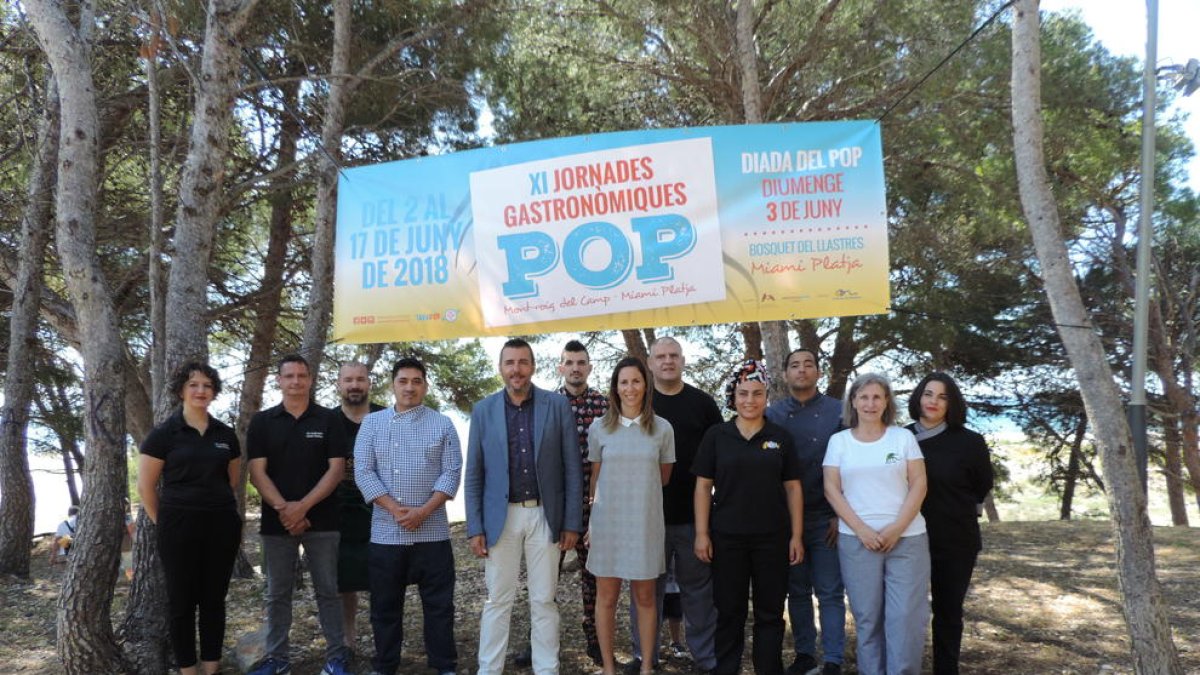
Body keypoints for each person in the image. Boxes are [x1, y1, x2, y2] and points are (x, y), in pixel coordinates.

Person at [464, 338, 583, 675]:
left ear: (532, 366)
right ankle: (489, 669)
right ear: (501, 368)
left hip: (545, 515)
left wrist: (571, 522)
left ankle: (547, 669)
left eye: (522, 362)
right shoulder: (483, 410)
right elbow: (475, 473)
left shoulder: (556, 406)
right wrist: (474, 527)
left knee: (544, 600)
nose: (516, 369)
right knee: (498, 600)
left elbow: (572, 467)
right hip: (500, 519)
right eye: (510, 363)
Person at [693, 359, 804, 675]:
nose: (750, 400)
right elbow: (702, 487)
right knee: (730, 612)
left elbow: (794, 489)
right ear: (733, 396)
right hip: (727, 539)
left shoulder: (780, 436)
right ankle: (726, 669)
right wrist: (702, 533)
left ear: (766, 395)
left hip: (773, 540)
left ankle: (768, 669)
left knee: (770, 613)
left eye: (757, 393)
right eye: (743, 393)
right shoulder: (717, 435)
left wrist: (796, 536)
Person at [354, 358, 462, 675]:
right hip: (387, 532)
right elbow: (363, 472)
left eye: (417, 381)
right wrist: (394, 508)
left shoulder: (442, 424)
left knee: (439, 606)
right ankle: (385, 665)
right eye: (403, 381)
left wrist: (424, 511)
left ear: (425, 386)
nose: (410, 387)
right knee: (385, 607)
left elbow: (451, 472)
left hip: (433, 533)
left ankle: (444, 665)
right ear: (393, 385)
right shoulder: (372, 424)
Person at [247, 354, 352, 675]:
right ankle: (278, 660)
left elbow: (336, 471)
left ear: (310, 380)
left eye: (301, 376)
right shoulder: (262, 422)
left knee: (329, 592)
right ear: (278, 380)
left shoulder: (328, 420)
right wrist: (285, 509)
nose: (295, 381)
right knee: (277, 593)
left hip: (323, 521)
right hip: (275, 522)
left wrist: (301, 508)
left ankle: (337, 659)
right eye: (289, 376)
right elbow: (256, 473)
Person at [137, 361, 242, 675]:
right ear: (181, 390)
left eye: (207, 386)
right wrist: (166, 524)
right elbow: (145, 488)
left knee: (213, 599)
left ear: (214, 392)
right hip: (178, 528)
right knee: (181, 602)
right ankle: (188, 670)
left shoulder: (226, 434)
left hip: (221, 526)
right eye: (194, 385)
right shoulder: (163, 435)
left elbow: (232, 481)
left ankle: (211, 668)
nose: (201, 391)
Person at [823, 373, 928, 675]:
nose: (870, 403)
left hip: (907, 538)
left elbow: (919, 484)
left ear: (886, 402)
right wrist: (862, 530)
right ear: (853, 402)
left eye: (877, 397)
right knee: (868, 618)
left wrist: (896, 528)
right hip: (857, 541)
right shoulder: (839, 442)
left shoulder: (903, 438)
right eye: (863, 397)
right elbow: (832, 489)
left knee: (904, 616)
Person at [627, 336, 721, 675]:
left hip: (693, 519)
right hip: (646, 519)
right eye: (660, 356)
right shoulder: (638, 404)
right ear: (650, 363)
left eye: (674, 355)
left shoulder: (703, 404)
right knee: (645, 592)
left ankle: (705, 660)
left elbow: (719, 460)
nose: (667, 361)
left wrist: (710, 520)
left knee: (698, 593)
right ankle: (644, 657)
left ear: (682, 360)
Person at [586, 356, 675, 675]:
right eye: (623, 382)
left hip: (645, 524)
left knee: (646, 598)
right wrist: (591, 524)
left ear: (645, 385)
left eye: (636, 381)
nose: (630, 387)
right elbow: (595, 479)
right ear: (615, 387)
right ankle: (609, 667)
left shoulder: (662, 429)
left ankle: (648, 666)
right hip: (608, 526)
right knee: (606, 598)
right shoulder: (599, 428)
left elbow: (663, 477)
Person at [906, 372, 994, 675]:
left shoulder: (969, 442)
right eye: (928, 394)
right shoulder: (901, 437)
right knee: (907, 613)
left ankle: (946, 669)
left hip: (955, 540)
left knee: (947, 613)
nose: (933, 402)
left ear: (952, 403)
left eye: (942, 397)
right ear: (918, 397)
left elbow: (982, 485)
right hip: (908, 539)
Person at [765, 349, 846, 675]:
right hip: (786, 520)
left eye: (808, 365)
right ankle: (805, 655)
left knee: (829, 591)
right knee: (797, 591)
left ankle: (833, 660)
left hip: (828, 516)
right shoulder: (773, 414)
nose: (801, 370)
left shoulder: (838, 412)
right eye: (794, 365)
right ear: (785, 374)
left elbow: (850, 466)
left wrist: (842, 514)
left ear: (818, 372)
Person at [556, 339, 610, 666]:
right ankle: (540, 642)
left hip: (595, 503)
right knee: (544, 577)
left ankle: (596, 639)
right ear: (560, 367)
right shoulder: (546, 404)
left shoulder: (605, 406)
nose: (576, 368)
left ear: (589, 368)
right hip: (556, 505)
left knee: (594, 577)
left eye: (581, 362)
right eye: (569, 362)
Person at [332, 361, 385, 651]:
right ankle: (347, 641)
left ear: (369, 383)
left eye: (360, 380)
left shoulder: (386, 417)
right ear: (339, 384)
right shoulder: (327, 421)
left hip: (381, 512)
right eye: (348, 380)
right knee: (344, 583)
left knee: (383, 580)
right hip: (339, 514)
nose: (354, 385)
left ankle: (383, 641)